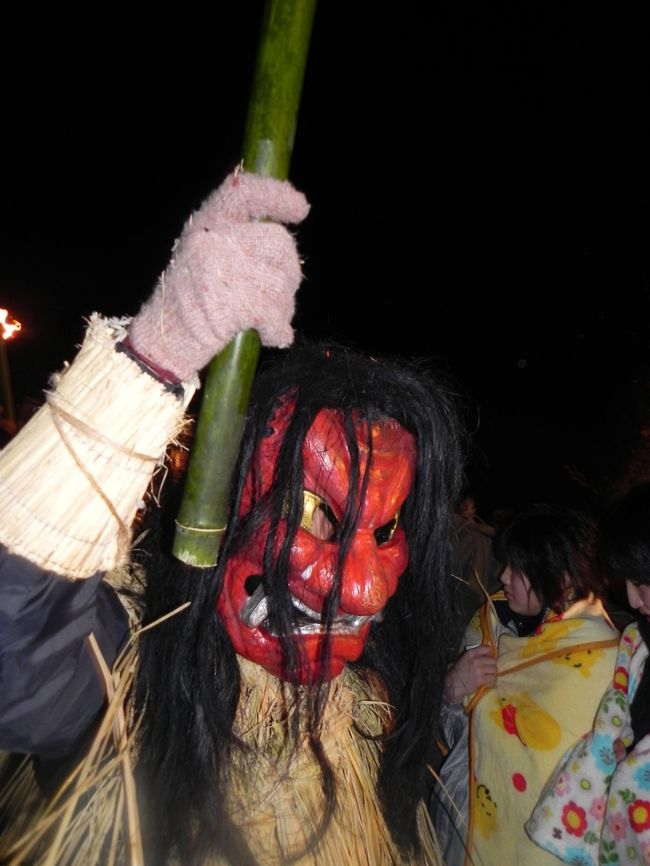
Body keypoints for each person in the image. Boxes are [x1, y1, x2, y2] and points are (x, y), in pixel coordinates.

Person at [0, 169, 464, 866]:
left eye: (388, 532)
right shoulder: (126, 675)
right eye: (316, 514)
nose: (366, 591)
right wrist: (156, 354)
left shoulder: (370, 712)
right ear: (224, 502)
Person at [430, 503, 619, 866]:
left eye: (519, 569)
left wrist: (476, 701)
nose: (502, 576)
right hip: (457, 833)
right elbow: (456, 745)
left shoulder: (603, 663)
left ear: (563, 578)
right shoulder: (490, 618)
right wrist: (453, 689)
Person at [527, 483, 650, 865]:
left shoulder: (600, 640)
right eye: (626, 583)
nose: (632, 600)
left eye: (642, 581)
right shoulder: (639, 643)